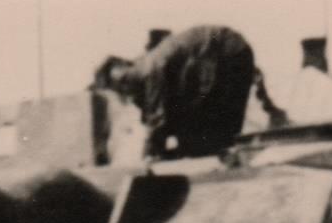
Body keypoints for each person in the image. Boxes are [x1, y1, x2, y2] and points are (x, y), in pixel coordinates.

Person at [95, 25, 261, 159]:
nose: (123, 91)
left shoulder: (148, 70)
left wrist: (149, 156)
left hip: (225, 52)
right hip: (232, 51)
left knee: (213, 139)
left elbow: (157, 120)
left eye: (119, 85)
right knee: (210, 139)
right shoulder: (150, 65)